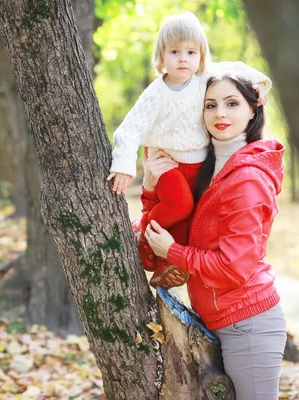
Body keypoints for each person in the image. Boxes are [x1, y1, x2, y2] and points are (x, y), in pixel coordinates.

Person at [144, 72, 287, 399]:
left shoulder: (247, 179)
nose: (220, 113)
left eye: (232, 103)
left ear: (253, 109)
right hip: (220, 322)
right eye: (211, 105)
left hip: (248, 323)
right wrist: (152, 189)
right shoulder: (210, 171)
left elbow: (233, 268)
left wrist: (175, 252)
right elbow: (161, 230)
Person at [106, 12, 271, 272]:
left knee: (189, 221)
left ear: (201, 56)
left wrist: (259, 85)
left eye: (191, 52)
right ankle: (146, 234)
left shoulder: (204, 78)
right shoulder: (156, 93)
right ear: (161, 56)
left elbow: (237, 69)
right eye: (175, 52)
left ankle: (165, 265)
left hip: (199, 164)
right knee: (180, 205)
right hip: (169, 163)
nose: (183, 58)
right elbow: (128, 129)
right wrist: (123, 166)